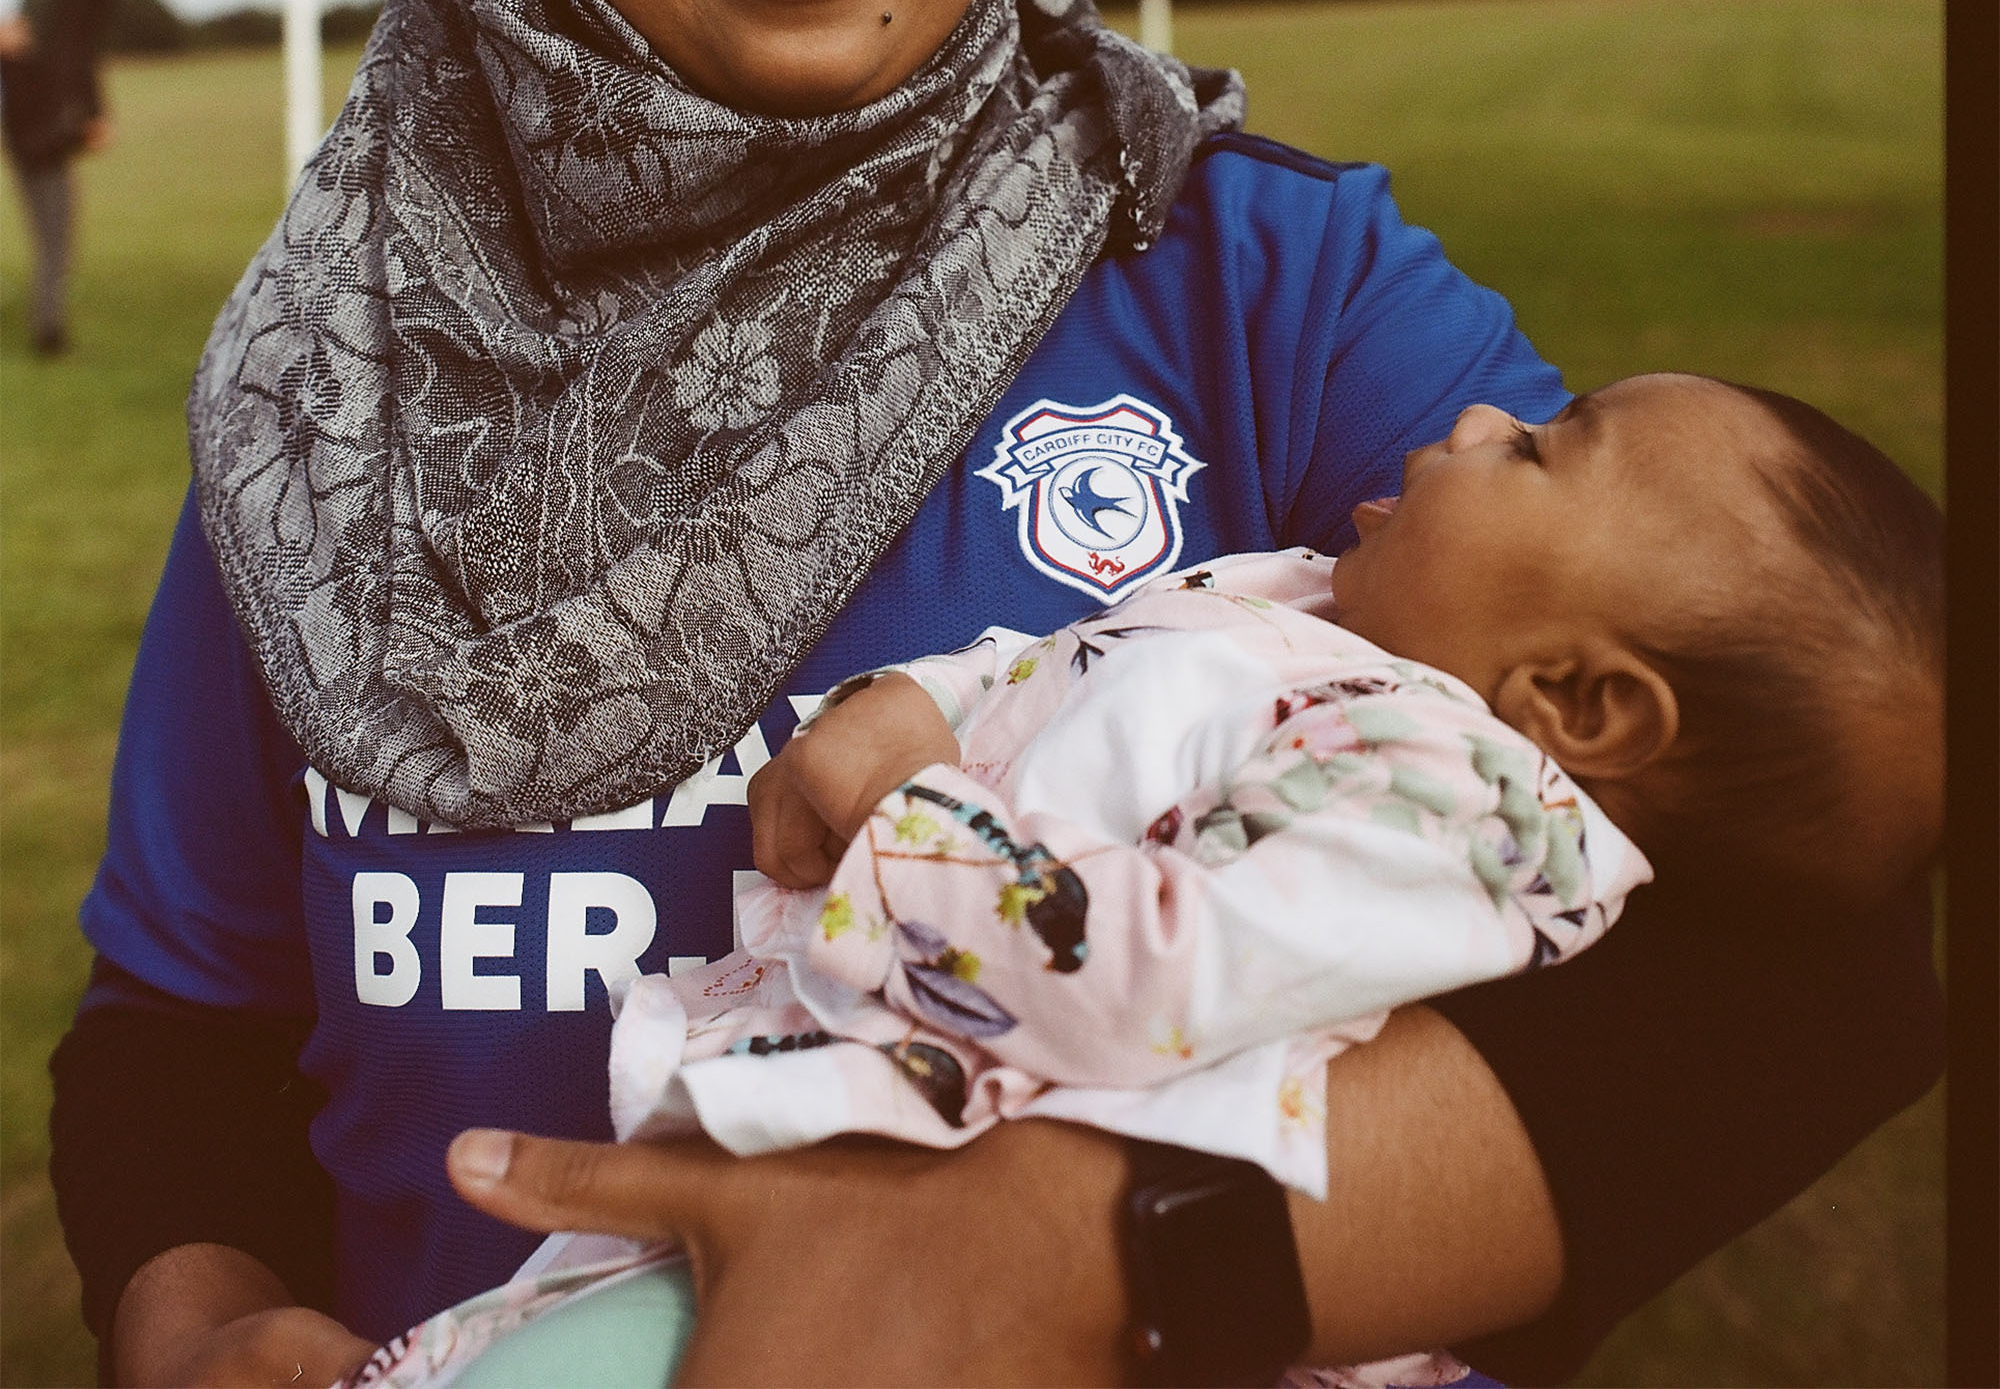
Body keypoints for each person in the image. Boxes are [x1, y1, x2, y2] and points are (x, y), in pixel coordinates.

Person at [47, 0, 1942, 1389]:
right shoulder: (332, 383)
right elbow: (186, 1025)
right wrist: (195, 1315)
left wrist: (1080, 1252)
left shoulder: (1253, 282)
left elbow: (1805, 908)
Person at [332, 375, 1945, 1389]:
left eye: (1531, 446)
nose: (1472, 418)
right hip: (830, 1156)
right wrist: (917, 698)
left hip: (953, 1244)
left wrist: (907, 805)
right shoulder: (1329, 610)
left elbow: (1134, 977)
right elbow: (1083, 659)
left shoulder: (1449, 813)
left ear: (1582, 704)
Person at [1, 0, 147, 354]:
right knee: (55, 242)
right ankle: (48, 330)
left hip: (40, 153)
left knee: (74, 43)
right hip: (43, 157)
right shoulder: (22, 72)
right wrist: (88, 126)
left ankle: (47, 323)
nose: (19, 27)